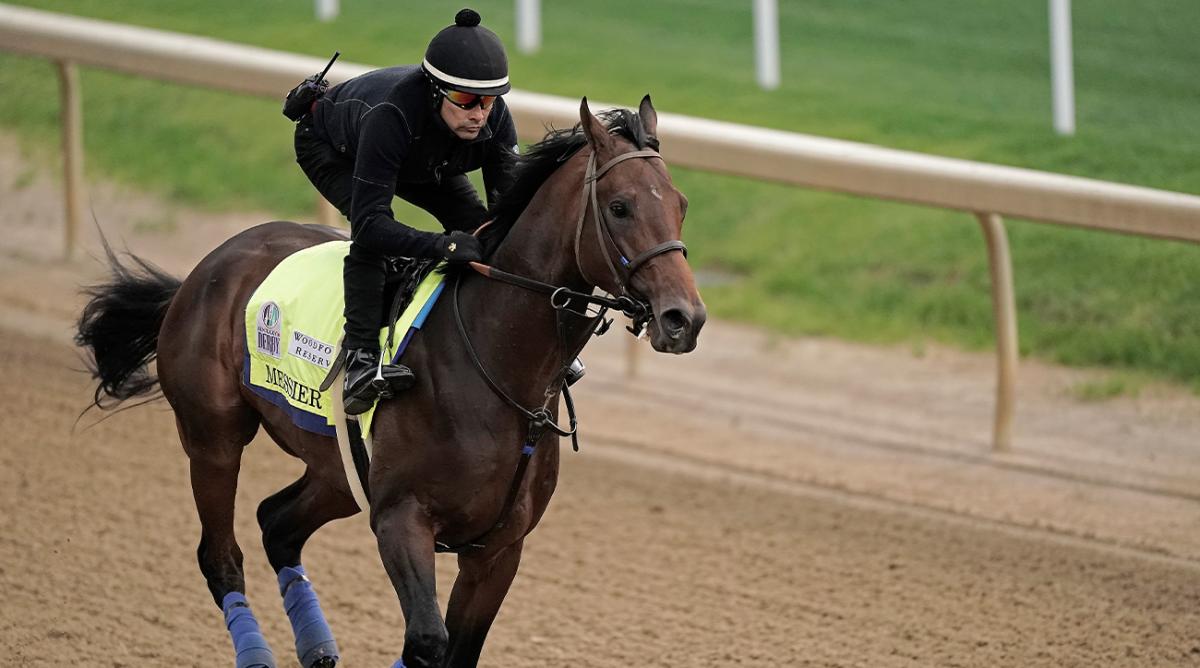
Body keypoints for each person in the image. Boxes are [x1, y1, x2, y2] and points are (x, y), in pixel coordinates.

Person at [292, 8, 518, 415]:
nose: (479, 114)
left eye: (488, 100)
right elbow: (371, 226)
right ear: (435, 91)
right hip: (335, 148)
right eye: (466, 100)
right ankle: (360, 360)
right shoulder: (391, 115)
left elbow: (509, 216)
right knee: (375, 241)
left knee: (484, 230)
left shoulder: (494, 118)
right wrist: (444, 247)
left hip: (425, 158)